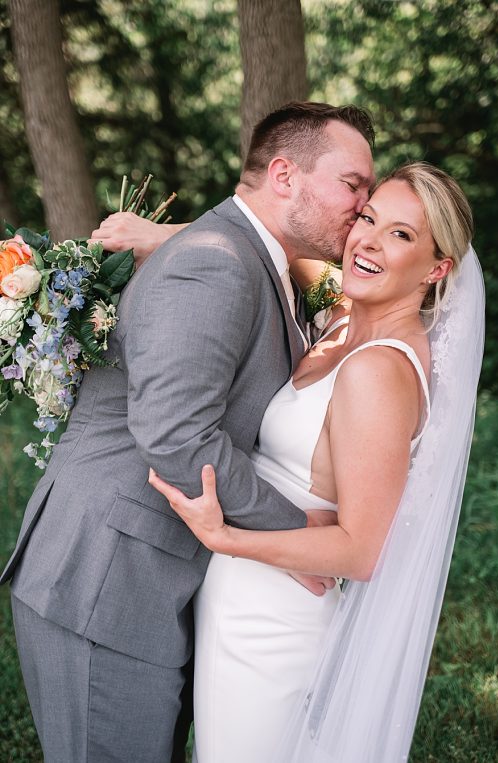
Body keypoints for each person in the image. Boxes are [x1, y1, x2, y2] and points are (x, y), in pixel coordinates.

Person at [1, 101, 374, 761]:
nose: (364, 204)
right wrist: (304, 538)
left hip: (145, 585)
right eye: (354, 184)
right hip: (106, 581)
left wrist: (167, 231)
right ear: (284, 176)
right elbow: (177, 438)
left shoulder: (255, 261)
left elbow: (340, 287)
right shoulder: (218, 262)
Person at [141, 162, 483, 761]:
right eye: (368, 218)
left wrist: (229, 539)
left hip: (273, 617)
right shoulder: (344, 313)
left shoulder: (379, 369)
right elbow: (256, 241)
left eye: (401, 234)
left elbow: (360, 550)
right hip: (240, 598)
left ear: (437, 268)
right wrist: (153, 236)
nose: (369, 241)